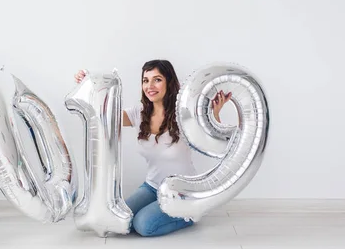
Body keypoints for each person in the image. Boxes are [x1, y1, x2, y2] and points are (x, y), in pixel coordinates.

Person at [74, 60, 232, 237]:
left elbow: (211, 140)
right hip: (151, 187)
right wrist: (88, 86)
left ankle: (190, 213)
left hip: (181, 190)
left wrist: (215, 114)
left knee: (143, 225)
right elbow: (105, 114)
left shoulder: (184, 113)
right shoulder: (138, 113)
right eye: (145, 80)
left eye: (157, 79)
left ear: (169, 82)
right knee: (119, 218)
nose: (150, 86)